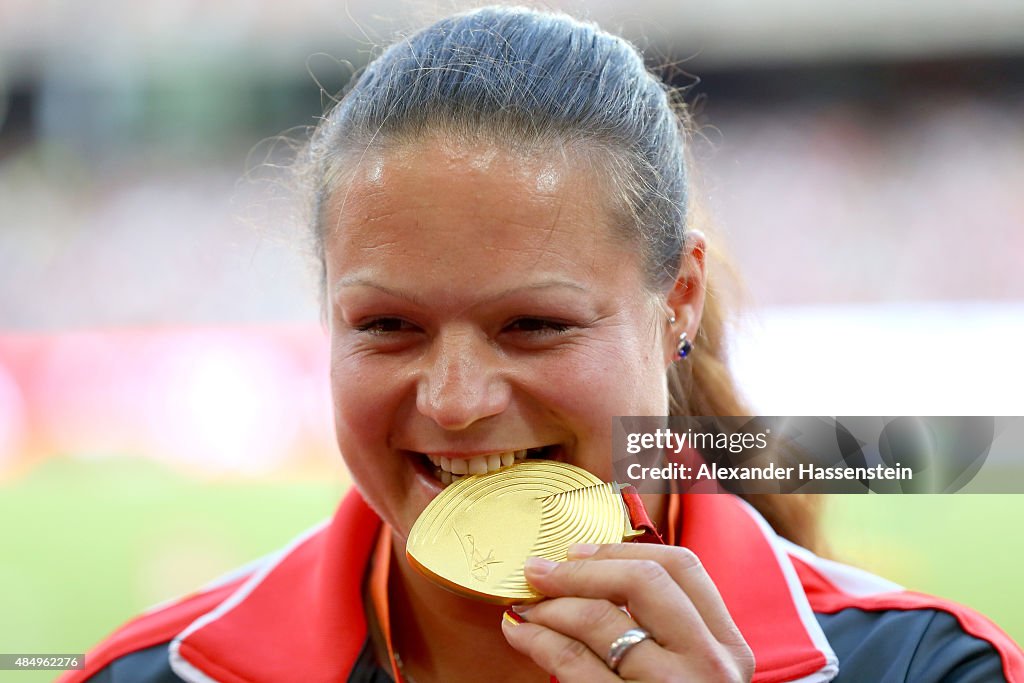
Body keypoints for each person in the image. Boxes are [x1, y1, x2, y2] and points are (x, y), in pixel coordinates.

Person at [63, 7, 1022, 682]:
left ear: (675, 303)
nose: (454, 398)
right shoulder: (153, 672)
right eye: (387, 326)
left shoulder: (935, 668)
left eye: (535, 325)